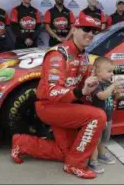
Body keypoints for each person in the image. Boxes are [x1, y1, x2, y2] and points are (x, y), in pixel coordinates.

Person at [11, 15, 107, 179]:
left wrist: (99, 87)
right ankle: (75, 165)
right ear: (74, 29)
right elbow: (52, 91)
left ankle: (21, 143)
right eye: (86, 29)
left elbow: (83, 88)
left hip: (65, 107)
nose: (91, 34)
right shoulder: (58, 54)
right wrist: (80, 92)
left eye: (94, 31)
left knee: (68, 152)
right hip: (49, 106)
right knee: (98, 117)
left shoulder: (83, 57)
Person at [88, 57, 121, 173]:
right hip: (98, 118)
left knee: (104, 139)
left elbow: (115, 97)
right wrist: (112, 87)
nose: (111, 74)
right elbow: (101, 96)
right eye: (109, 71)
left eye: (112, 71)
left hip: (108, 117)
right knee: (95, 140)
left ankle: (101, 155)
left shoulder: (108, 83)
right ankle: (92, 161)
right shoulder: (95, 83)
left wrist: (117, 92)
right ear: (98, 71)